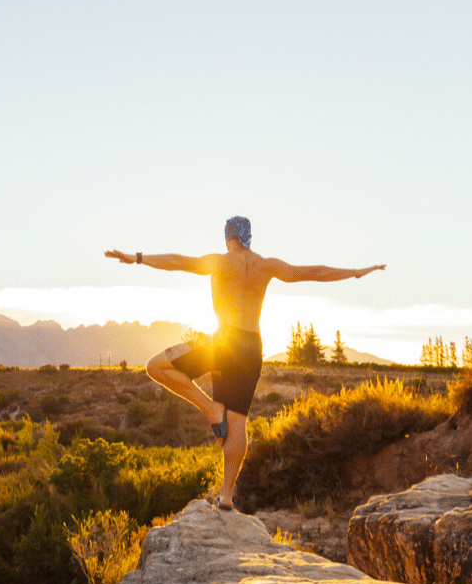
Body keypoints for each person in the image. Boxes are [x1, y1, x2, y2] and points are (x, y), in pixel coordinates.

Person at [105, 216, 385, 511]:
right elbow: (315, 272)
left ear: (228, 238)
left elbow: (177, 261)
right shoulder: (268, 266)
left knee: (156, 366)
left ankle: (211, 409)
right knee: (237, 419)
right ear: (249, 237)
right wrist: (356, 272)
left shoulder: (220, 261)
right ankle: (227, 495)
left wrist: (135, 258)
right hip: (251, 347)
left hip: (223, 342)